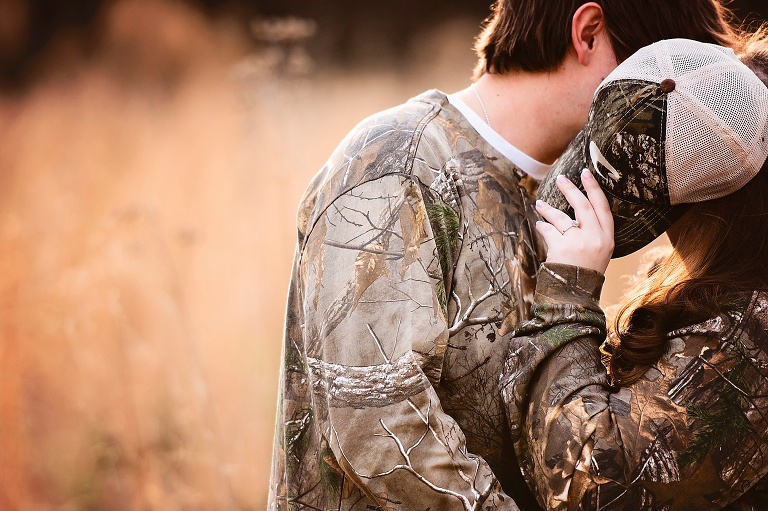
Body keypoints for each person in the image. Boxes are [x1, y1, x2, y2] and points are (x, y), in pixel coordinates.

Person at [268, 2, 743, 510]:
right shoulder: (399, 166)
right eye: (654, 72)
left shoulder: (570, 201)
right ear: (586, 34)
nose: (670, 111)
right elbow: (377, 426)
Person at [502, 36, 768, 510]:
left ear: (714, 206)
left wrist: (566, 299)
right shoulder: (729, 283)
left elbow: (596, 493)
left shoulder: (752, 336)